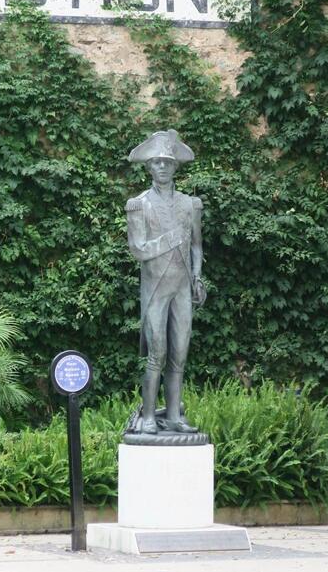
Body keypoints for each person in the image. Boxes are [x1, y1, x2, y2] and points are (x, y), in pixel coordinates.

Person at [126, 129, 206, 435]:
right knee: (157, 353)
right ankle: (148, 416)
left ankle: (173, 415)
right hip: (156, 290)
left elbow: (197, 245)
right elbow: (138, 249)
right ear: (149, 167)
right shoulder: (139, 204)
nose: (162, 167)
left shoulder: (190, 204)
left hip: (182, 288)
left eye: (168, 162)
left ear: (175, 167)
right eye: (157, 162)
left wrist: (197, 276)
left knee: (179, 356)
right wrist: (171, 239)